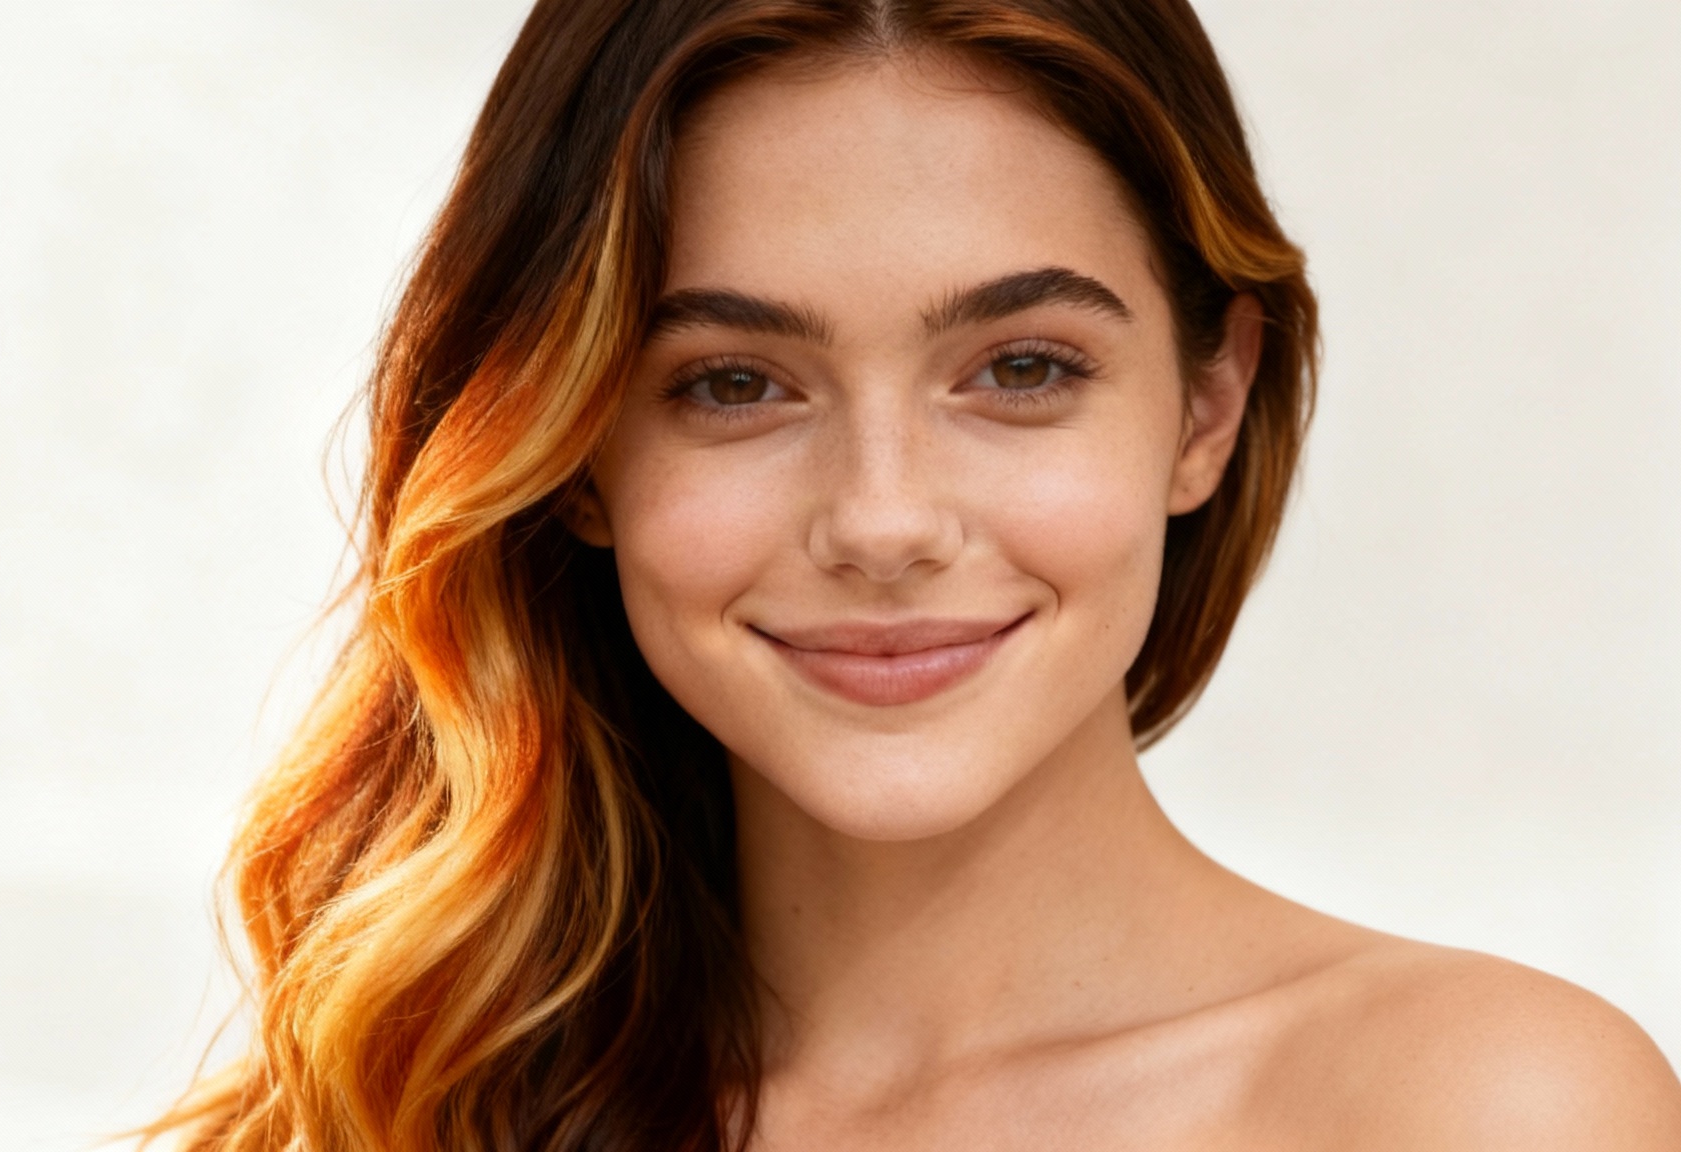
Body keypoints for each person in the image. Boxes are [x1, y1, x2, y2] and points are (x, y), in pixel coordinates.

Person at [152, 1, 1681, 1148]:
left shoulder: (1473, 1108)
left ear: (1205, 406)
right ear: (578, 455)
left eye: (1021, 368)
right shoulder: (397, 1108)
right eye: (734, 384)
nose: (883, 523)